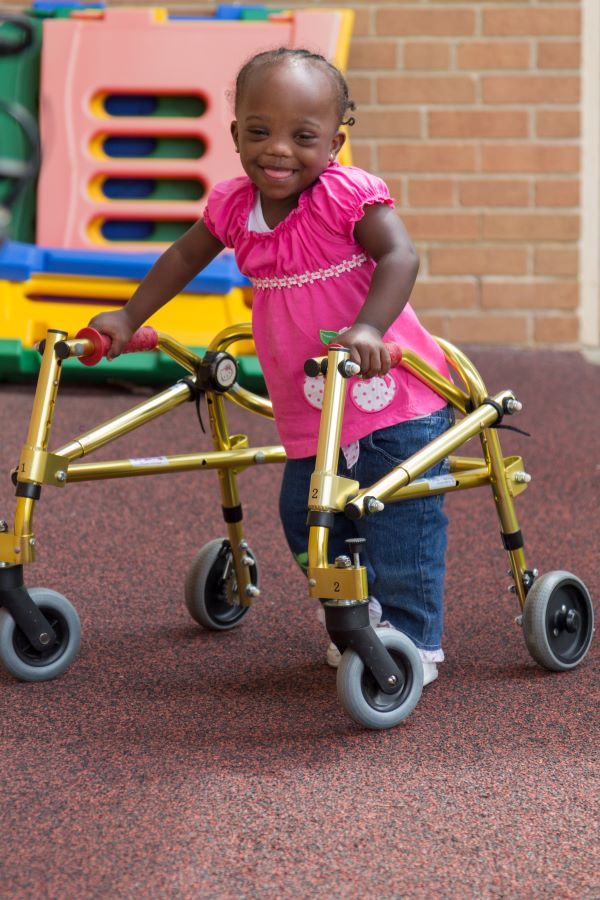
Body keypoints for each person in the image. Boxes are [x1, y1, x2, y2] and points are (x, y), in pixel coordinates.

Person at [88, 48, 453, 685]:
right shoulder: (234, 207)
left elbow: (400, 256)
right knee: (301, 511)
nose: (277, 149)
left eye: (302, 136)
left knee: (399, 519)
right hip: (314, 404)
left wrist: (367, 327)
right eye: (258, 131)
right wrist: (127, 315)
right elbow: (182, 256)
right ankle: (354, 610)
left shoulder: (345, 197)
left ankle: (413, 636)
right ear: (234, 134)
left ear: (335, 141)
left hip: (390, 391)